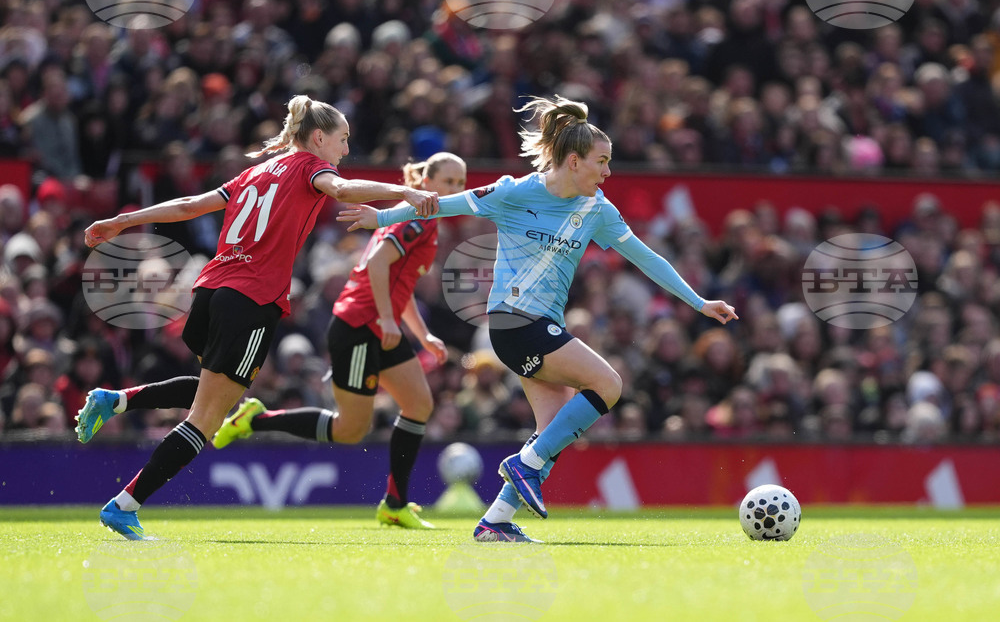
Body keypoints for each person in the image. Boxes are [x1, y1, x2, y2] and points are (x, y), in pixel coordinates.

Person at [339, 96, 738, 542]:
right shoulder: (515, 191)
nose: (607, 172)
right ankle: (522, 465)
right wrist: (384, 215)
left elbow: (647, 258)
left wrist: (699, 302)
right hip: (512, 322)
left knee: (552, 434)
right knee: (608, 385)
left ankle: (495, 521)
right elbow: (448, 204)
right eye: (601, 162)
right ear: (573, 161)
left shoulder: (597, 210)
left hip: (542, 326)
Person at [75, 95, 438, 540]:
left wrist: (122, 221)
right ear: (319, 137)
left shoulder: (255, 171)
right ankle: (124, 505)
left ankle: (118, 399)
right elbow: (341, 190)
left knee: (213, 391)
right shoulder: (308, 167)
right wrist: (405, 190)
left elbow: (189, 205)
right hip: (252, 298)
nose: (345, 151)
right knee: (206, 416)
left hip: (209, 290)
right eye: (342, 140)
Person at [211, 152, 468, 529]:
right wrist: (385, 318)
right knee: (351, 429)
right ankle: (256, 419)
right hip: (361, 326)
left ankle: (395, 504)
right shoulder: (414, 218)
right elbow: (379, 263)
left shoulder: (425, 220)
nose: (455, 190)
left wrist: (422, 333)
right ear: (426, 182)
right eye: (448, 182)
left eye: (460, 184)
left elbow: (402, 281)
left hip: (382, 326)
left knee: (418, 404)